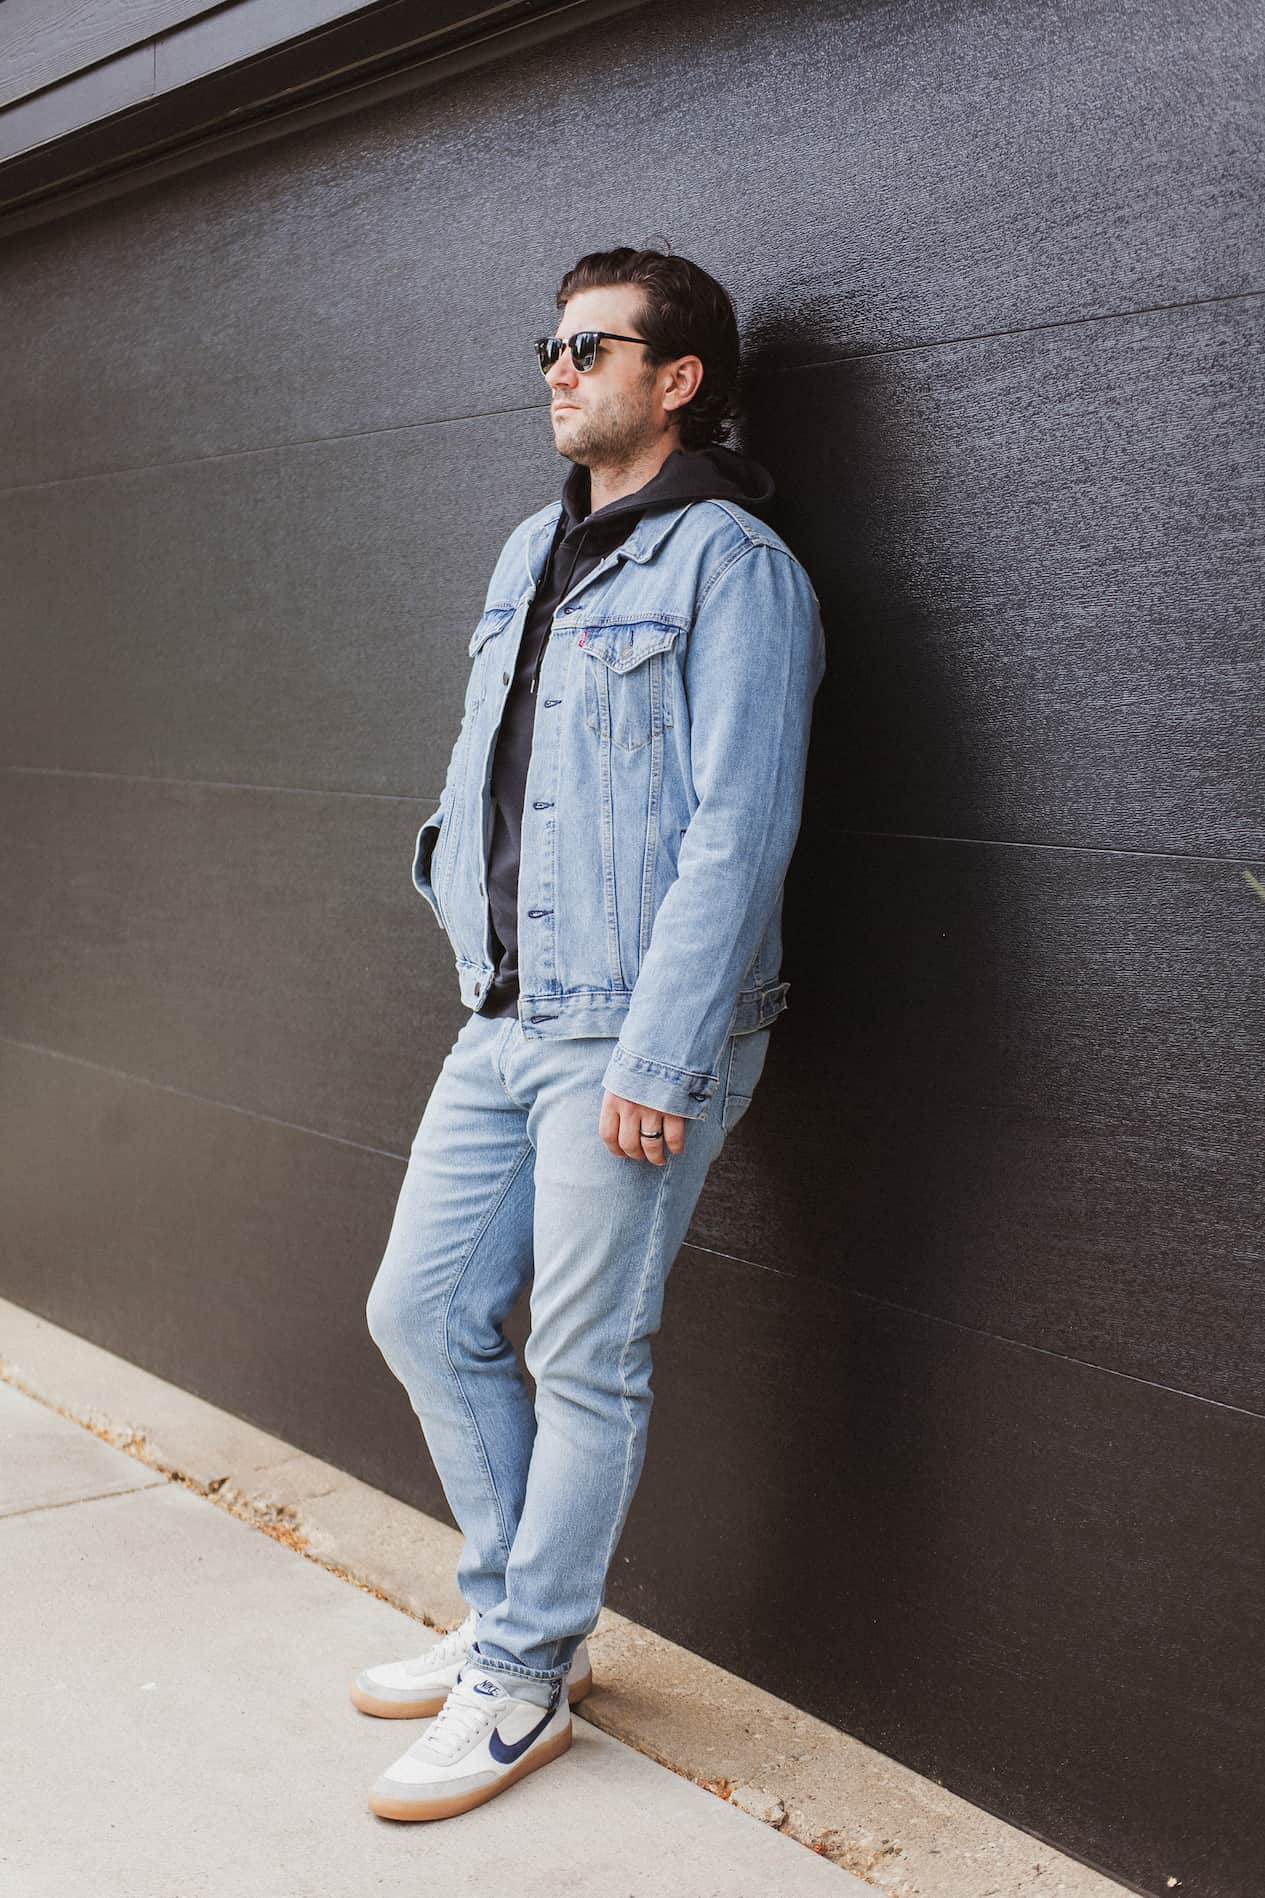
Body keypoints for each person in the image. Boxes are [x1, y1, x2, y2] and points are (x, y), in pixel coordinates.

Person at [356, 244, 826, 1822]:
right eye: (547, 343)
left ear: (675, 378)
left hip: (631, 1030)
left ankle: (525, 1672)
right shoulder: (527, 547)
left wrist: (660, 1052)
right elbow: (487, 760)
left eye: (589, 347)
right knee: (419, 1310)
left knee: (582, 1349)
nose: (555, 369)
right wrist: (451, 895)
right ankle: (504, 1604)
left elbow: (738, 829)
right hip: (503, 1015)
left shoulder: (730, 566)